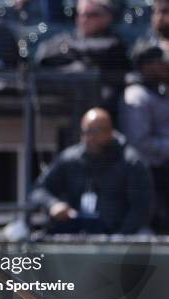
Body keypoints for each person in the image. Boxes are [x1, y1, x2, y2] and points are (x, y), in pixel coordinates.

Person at [30, 108, 153, 234]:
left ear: (110, 131)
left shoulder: (130, 162)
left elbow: (141, 210)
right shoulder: (71, 159)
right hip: (77, 236)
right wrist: (53, 204)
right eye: (86, 131)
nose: (90, 137)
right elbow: (38, 190)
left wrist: (118, 239)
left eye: (96, 131)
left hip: (120, 236)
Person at [34, 0, 130, 114]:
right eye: (80, 14)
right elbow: (43, 53)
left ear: (107, 17)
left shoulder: (116, 44)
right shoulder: (68, 38)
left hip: (102, 108)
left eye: (91, 15)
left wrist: (71, 52)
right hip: (67, 104)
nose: (84, 19)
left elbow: (102, 50)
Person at [119, 42, 169, 232]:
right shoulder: (136, 95)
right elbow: (140, 142)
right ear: (146, 65)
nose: (165, 66)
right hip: (150, 175)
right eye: (160, 62)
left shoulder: (159, 90)